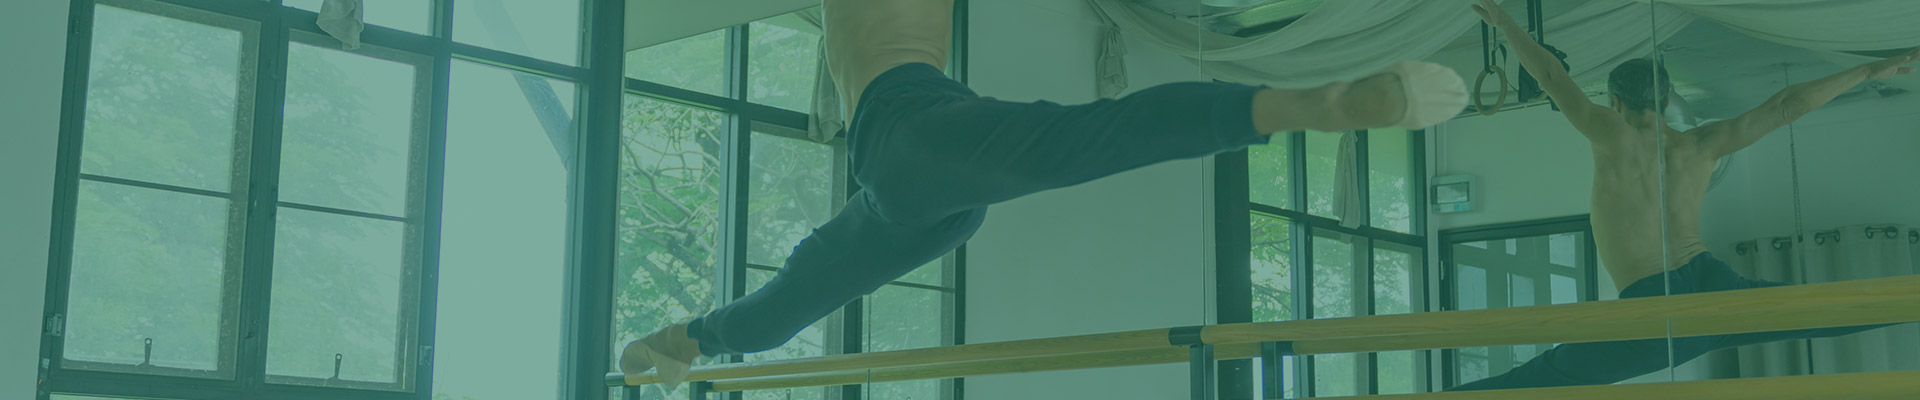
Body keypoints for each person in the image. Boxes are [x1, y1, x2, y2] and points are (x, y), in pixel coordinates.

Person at [620, 0, 1471, 388]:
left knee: (1085, 143)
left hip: (909, 148)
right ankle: (680, 339)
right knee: (776, 316)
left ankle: (1304, 105)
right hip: (917, 168)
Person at [1451, 0, 1917, 391]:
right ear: (1665, 97)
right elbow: (1785, 105)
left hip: (1659, 307)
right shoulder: (1702, 144)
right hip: (1713, 285)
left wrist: (1503, 20)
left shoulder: (1610, 132)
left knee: (1545, 377)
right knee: (1826, 309)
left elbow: (1551, 76)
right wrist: (1867, 69)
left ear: (1615, 102)